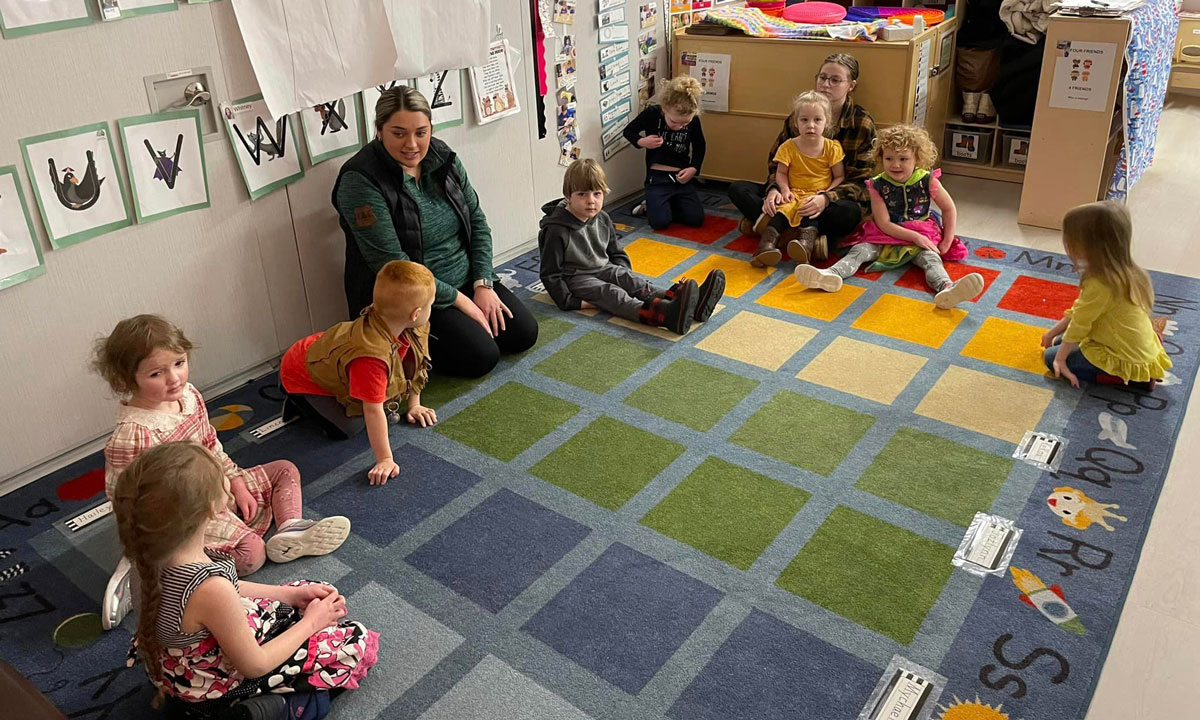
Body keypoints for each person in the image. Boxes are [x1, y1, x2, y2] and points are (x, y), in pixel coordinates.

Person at [113, 442, 377, 713]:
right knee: (355, 641)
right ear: (212, 510)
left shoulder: (152, 553)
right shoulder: (208, 587)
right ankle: (276, 707)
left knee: (304, 591)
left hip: (176, 666)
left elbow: (227, 589)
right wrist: (311, 623)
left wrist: (287, 594)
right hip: (213, 685)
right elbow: (255, 665)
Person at [333, 87, 537, 379]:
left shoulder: (442, 156)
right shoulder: (359, 180)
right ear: (379, 131)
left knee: (523, 334)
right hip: (412, 297)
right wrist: (463, 302)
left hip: (465, 278)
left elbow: (477, 220)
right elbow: (395, 266)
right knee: (482, 356)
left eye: (421, 132)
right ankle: (404, 354)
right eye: (399, 133)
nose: (412, 144)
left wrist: (483, 285)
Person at [280, 261, 437, 486]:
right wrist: (385, 459)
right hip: (301, 372)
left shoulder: (413, 326)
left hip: (335, 357)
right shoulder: (370, 357)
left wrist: (414, 404)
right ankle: (295, 399)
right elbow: (372, 411)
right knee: (349, 427)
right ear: (415, 313)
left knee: (370, 402)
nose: (432, 309)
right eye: (431, 304)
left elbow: (418, 364)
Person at [794, 124, 984, 310]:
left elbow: (949, 209)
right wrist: (914, 237)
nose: (895, 164)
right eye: (889, 158)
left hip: (921, 230)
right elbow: (883, 223)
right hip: (886, 232)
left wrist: (947, 241)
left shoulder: (928, 180)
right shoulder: (877, 185)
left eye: (903, 158)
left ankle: (946, 288)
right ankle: (830, 275)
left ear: (916, 158)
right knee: (859, 251)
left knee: (931, 259)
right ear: (880, 158)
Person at [538, 159, 725, 335]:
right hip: (576, 278)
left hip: (603, 267)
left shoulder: (602, 217)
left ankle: (687, 301)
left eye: (597, 194)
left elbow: (615, 251)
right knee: (612, 293)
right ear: (568, 196)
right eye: (582, 194)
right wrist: (569, 301)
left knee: (633, 281)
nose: (591, 201)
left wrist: (624, 274)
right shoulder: (557, 230)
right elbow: (550, 273)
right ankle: (664, 315)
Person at [727, 53, 877, 254]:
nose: (826, 84)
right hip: (792, 192)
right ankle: (808, 239)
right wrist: (774, 190)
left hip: (828, 197)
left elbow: (861, 181)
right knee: (738, 189)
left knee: (848, 214)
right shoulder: (799, 115)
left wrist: (825, 198)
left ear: (851, 85)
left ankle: (773, 229)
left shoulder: (862, 123)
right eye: (822, 77)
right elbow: (776, 162)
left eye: (835, 80)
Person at [1041, 201, 1172, 388]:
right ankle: (1141, 358)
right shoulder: (1127, 271)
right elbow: (1080, 312)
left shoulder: (1100, 283)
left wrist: (1060, 360)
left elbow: (1080, 324)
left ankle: (1131, 378)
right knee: (1060, 340)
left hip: (1123, 355)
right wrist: (1052, 333)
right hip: (1128, 343)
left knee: (1050, 357)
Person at [750, 91, 845, 267]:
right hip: (793, 194)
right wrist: (784, 190)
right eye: (804, 120)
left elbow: (839, 176)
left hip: (816, 197)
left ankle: (805, 248)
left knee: (810, 217)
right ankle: (765, 248)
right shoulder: (788, 147)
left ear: (827, 122)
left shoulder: (832, 148)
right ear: (796, 122)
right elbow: (781, 173)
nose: (811, 125)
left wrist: (826, 194)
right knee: (781, 215)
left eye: (817, 120)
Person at [622, 76, 707, 230]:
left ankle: (664, 204)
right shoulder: (653, 113)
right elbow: (629, 131)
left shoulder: (693, 120)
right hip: (657, 178)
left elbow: (700, 145)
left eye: (685, 123)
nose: (680, 127)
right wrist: (642, 142)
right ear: (665, 108)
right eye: (674, 122)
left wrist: (694, 168)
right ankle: (651, 205)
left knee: (696, 219)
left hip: (681, 177)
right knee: (660, 223)